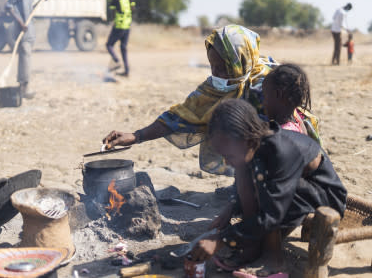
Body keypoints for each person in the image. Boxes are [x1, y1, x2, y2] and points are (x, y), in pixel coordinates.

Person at [103, 25, 321, 177]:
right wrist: (136, 136)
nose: (215, 72)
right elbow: (183, 114)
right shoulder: (217, 86)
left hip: (288, 156)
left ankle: (257, 183)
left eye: (222, 67)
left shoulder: (269, 86)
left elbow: (287, 135)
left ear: (240, 61)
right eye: (212, 65)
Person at [190, 99, 347, 277]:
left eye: (229, 155)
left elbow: (272, 213)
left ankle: (275, 261)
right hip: (288, 192)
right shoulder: (254, 142)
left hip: (324, 196)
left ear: (247, 139)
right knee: (243, 170)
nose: (226, 161)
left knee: (263, 186)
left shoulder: (282, 151)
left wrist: (223, 238)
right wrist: (231, 206)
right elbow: (247, 185)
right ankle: (253, 247)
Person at [262, 64, 320, 142]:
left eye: (265, 96)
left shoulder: (281, 136)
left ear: (278, 94)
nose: (263, 102)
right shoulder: (298, 120)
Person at [5, 0, 36, 99]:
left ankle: (23, 87)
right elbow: (8, 7)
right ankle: (24, 88)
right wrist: (20, 22)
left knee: (26, 58)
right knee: (25, 57)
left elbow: (30, 9)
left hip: (30, 32)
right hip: (21, 31)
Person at [106, 0, 136, 77]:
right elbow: (133, 8)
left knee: (109, 45)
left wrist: (114, 20)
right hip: (127, 25)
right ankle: (127, 71)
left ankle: (116, 61)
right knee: (123, 47)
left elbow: (112, 12)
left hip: (119, 25)